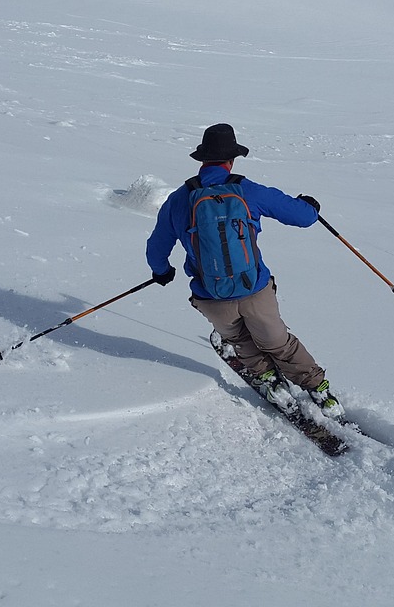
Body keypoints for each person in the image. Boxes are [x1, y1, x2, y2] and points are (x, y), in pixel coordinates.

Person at [145, 123, 343, 417]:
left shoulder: (179, 199)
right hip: (255, 290)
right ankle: (319, 391)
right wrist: (310, 206)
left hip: (211, 295)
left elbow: (156, 247)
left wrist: (161, 271)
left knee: (239, 339)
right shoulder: (246, 190)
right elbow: (303, 218)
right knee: (278, 342)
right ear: (231, 160)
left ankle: (267, 380)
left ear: (202, 159)